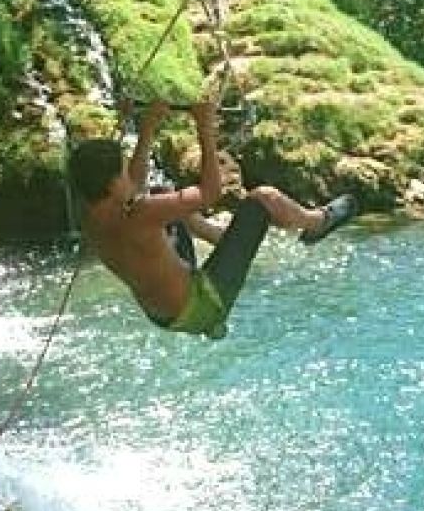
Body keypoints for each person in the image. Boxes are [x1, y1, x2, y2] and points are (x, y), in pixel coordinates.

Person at [70, 100, 357, 339]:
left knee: (162, 194)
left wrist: (146, 131)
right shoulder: (141, 215)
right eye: (121, 171)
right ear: (111, 184)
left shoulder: (90, 216)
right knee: (263, 198)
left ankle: (224, 240)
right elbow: (210, 192)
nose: (128, 176)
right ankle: (318, 222)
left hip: (163, 315)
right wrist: (205, 129)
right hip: (204, 303)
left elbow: (133, 183)